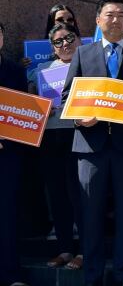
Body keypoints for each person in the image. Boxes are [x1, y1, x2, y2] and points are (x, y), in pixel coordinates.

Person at [61, 0, 123, 286]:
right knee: (90, 215)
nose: (115, 20)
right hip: (90, 147)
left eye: (121, 15)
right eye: (110, 14)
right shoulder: (83, 54)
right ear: (97, 19)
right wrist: (80, 118)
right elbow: (68, 97)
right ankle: (92, 275)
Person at [28, 23, 84, 271]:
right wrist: (40, 105)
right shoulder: (42, 70)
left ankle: (84, 250)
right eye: (59, 41)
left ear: (79, 39)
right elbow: (29, 105)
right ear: (52, 47)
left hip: (79, 135)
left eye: (69, 38)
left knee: (79, 194)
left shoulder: (89, 65)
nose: (65, 44)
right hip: (51, 136)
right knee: (57, 194)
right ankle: (64, 249)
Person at [0, 21, 30, 286]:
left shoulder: (14, 71)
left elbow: (23, 113)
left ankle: (10, 274)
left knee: (7, 215)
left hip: (8, 155)